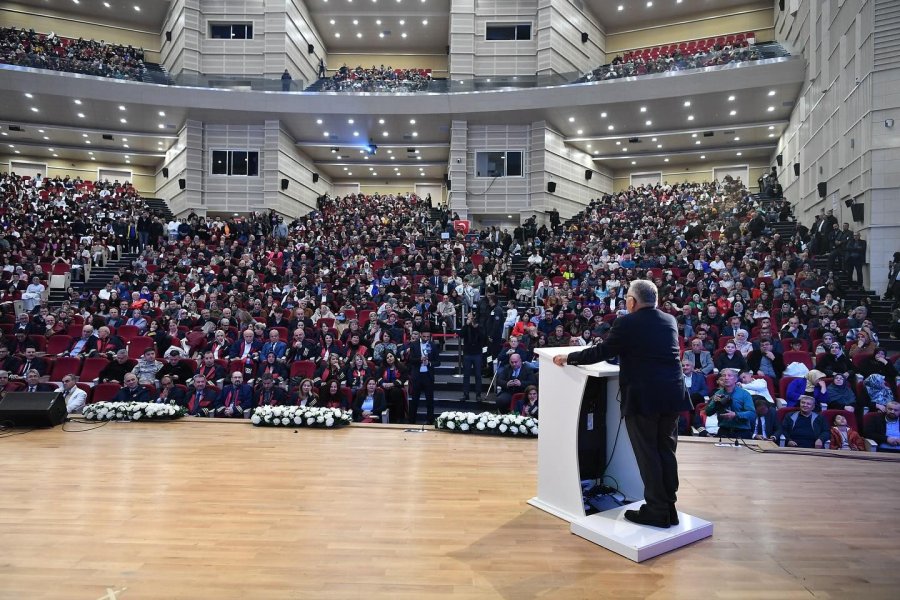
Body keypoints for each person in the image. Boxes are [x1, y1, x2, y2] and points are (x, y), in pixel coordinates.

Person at [553, 280, 691, 529]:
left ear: (632, 301)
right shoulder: (669, 321)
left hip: (644, 398)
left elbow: (602, 351)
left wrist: (569, 357)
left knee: (648, 454)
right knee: (666, 452)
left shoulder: (627, 322)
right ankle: (668, 508)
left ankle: (657, 511)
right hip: (672, 396)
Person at [705, 369, 755, 439]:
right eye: (724, 375)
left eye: (729, 375)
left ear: (735, 379)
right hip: (723, 431)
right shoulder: (718, 393)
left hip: (742, 432)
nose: (726, 378)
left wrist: (736, 415)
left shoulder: (745, 394)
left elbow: (752, 414)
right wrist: (714, 403)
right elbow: (708, 412)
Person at [407, 329, 440, 424]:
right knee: (414, 400)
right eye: (424, 336)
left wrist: (429, 363)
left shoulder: (433, 345)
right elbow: (411, 360)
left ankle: (430, 421)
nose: (426, 338)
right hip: (417, 376)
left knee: (430, 400)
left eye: (428, 337)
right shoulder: (414, 344)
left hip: (428, 376)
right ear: (420, 335)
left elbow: (438, 362)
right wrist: (419, 359)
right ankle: (412, 421)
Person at [460, 312, 486, 401]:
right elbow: (461, 334)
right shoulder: (466, 326)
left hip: (477, 353)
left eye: (472, 318)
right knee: (466, 375)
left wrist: (477, 328)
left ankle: (478, 395)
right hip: (467, 353)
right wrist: (466, 325)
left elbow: (483, 337)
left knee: (478, 375)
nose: (471, 319)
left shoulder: (480, 326)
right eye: (470, 318)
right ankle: (465, 394)